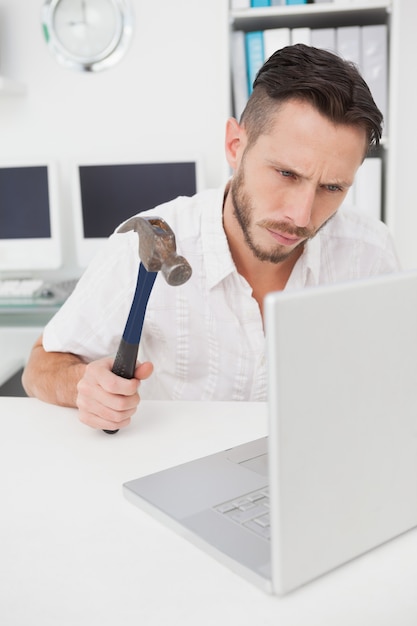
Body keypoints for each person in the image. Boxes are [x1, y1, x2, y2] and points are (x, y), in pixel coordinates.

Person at [22, 44, 400, 431]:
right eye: (286, 174)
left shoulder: (368, 254)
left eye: (332, 187)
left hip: (309, 466)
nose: (301, 216)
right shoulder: (147, 242)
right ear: (235, 146)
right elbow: (40, 365)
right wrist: (84, 385)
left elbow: (392, 377)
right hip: (171, 471)